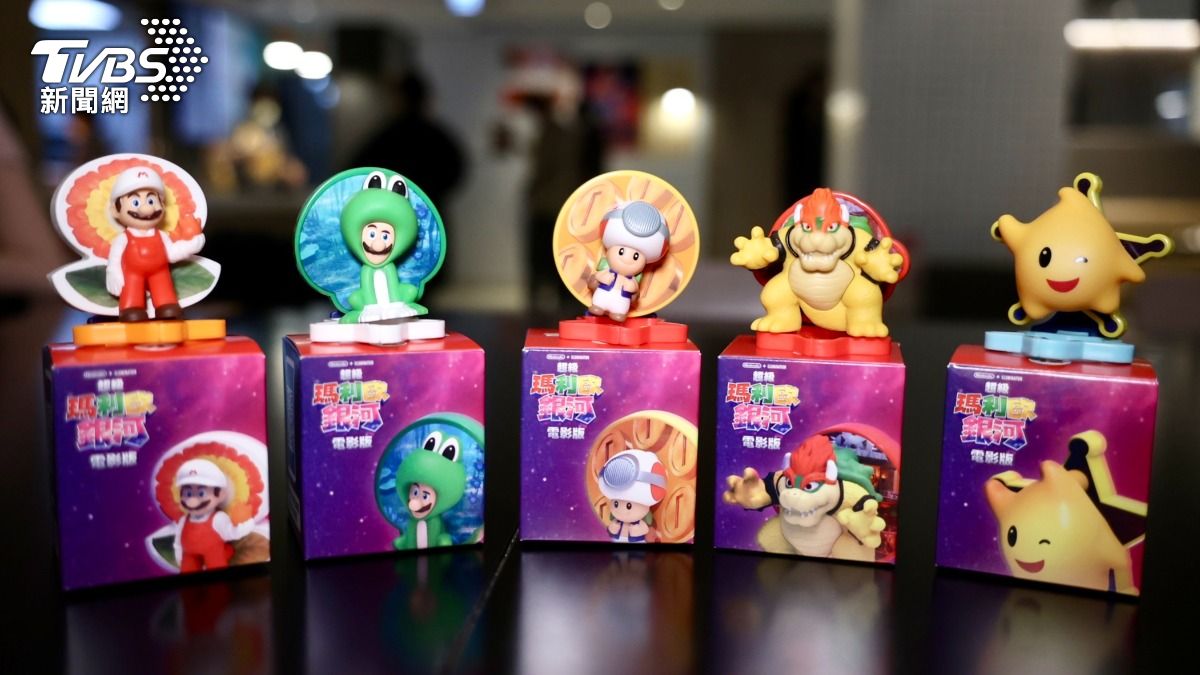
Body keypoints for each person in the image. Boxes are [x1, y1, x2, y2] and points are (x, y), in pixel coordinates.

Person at [105, 167, 205, 321]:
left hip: (159, 271)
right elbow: (115, 259)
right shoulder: (123, 238)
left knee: (164, 289)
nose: (147, 209)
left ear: (162, 205)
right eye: (135, 202)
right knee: (132, 289)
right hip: (132, 274)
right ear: (115, 210)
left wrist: (191, 245)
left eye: (151, 200)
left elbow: (171, 253)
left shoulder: (161, 235)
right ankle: (131, 307)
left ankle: (166, 305)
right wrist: (113, 273)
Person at [172, 459, 253, 572]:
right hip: (189, 554)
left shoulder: (218, 518)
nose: (192, 501)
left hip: (213, 552)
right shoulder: (183, 520)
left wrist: (246, 523)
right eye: (188, 493)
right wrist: (179, 555)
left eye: (201, 493)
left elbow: (232, 533)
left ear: (220, 494)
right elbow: (178, 540)